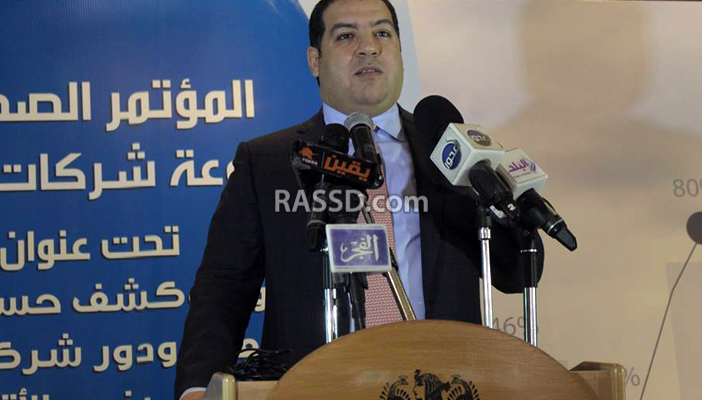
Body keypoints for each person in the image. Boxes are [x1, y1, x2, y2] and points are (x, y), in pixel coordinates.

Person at [175, 0, 543, 398]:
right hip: (316, 387)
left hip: (445, 383)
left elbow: (517, 273)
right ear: (314, 61)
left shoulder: (448, 152)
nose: (368, 47)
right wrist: (198, 388)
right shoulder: (267, 162)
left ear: (399, 52)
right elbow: (223, 290)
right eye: (346, 35)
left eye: (382, 33)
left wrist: (500, 205)